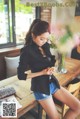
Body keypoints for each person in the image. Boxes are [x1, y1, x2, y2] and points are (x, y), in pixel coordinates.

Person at [17, 20, 80, 119]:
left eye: (46, 39)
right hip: (40, 87)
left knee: (77, 107)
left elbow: (49, 61)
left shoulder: (45, 45)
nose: (44, 41)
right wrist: (42, 73)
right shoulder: (26, 51)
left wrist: (51, 68)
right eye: (41, 38)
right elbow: (20, 75)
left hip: (52, 83)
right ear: (33, 35)